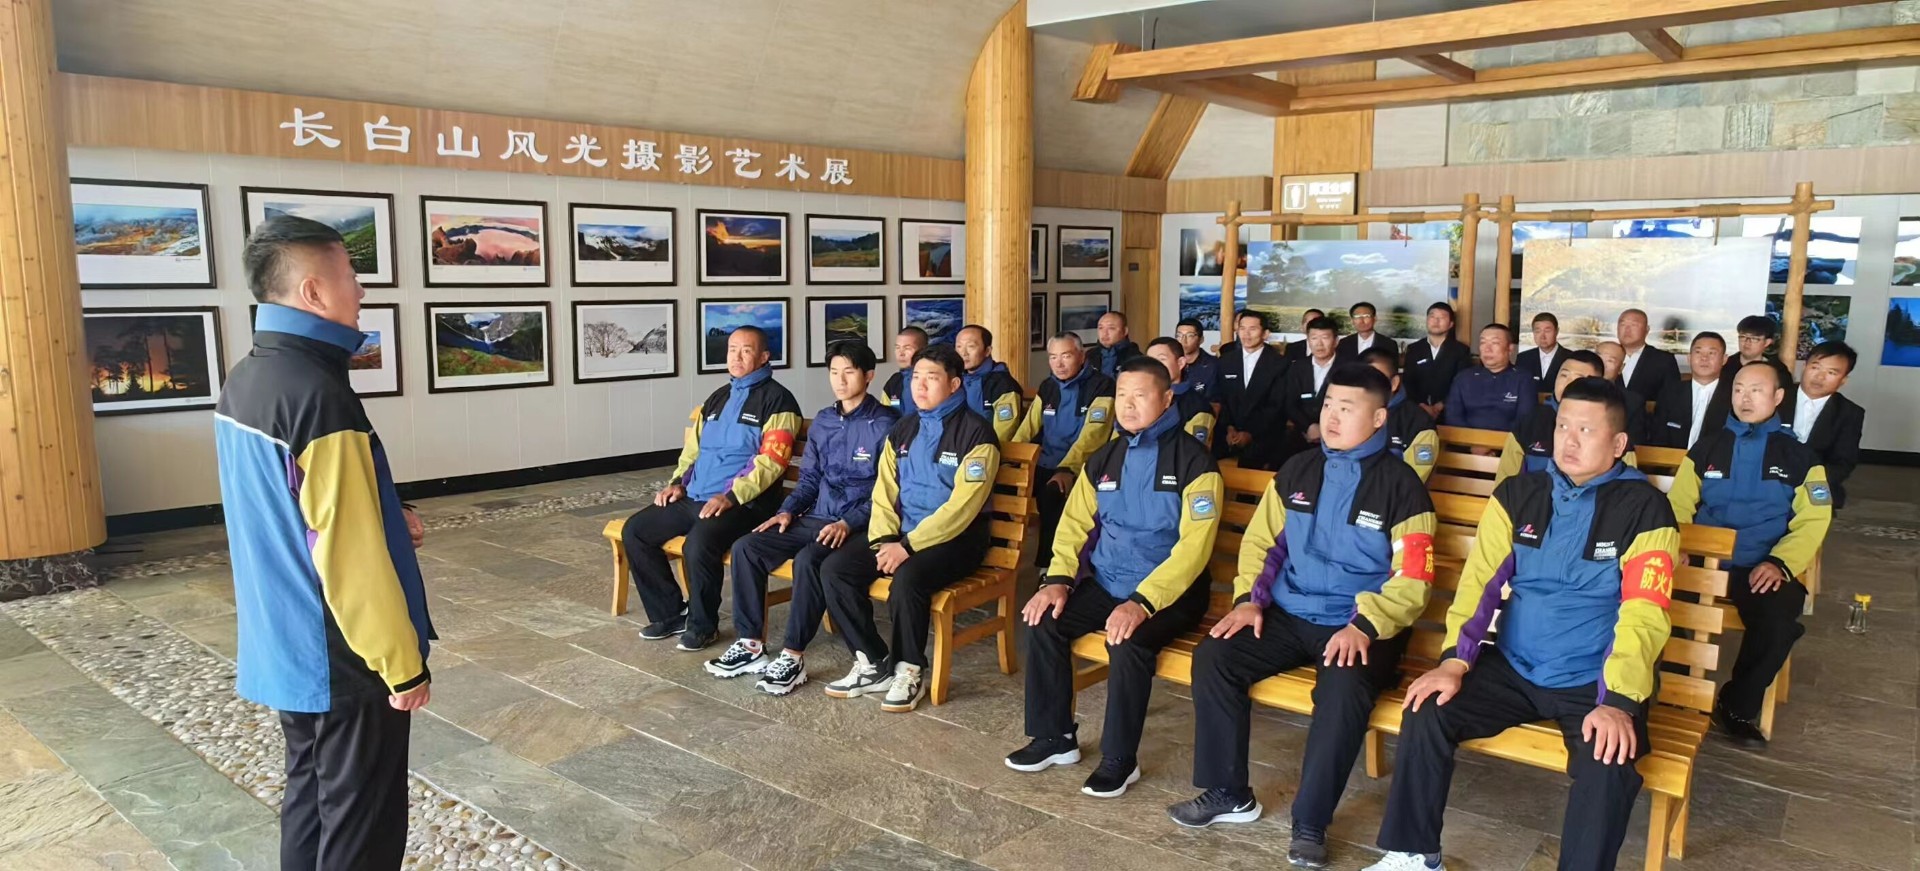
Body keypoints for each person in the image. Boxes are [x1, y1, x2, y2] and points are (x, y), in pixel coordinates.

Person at [1366, 377, 1681, 871]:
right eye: (1562, 426)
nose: (1569, 440)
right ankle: (1413, 853)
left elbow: (1645, 612)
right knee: (1428, 708)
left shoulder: (1646, 510)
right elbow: (1479, 585)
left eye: (1586, 430)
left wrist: (1620, 701)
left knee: (1609, 759)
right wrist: (1454, 661)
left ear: (1618, 443)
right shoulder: (1518, 494)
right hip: (1514, 666)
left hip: (1594, 677)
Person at [216, 215, 433, 870]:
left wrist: (388, 511)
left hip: (286, 641)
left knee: (311, 799)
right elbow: (347, 556)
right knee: (361, 827)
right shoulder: (318, 394)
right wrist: (400, 664)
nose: (360, 288)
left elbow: (287, 505)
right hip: (342, 655)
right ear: (312, 291)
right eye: (349, 274)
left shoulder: (250, 377)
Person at [1169, 365, 1437, 871]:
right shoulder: (1297, 470)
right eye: (1329, 404)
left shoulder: (1402, 487)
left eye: (1347, 408)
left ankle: (1311, 821)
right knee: (1217, 656)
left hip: (1362, 624)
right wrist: (1249, 600)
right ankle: (1228, 792)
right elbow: (1262, 543)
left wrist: (1365, 625)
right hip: (1290, 612)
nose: (1331, 417)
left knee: (1342, 689)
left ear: (1379, 418)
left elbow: (1413, 578)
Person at [1006, 357, 1223, 798]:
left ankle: (1120, 758)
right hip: (1108, 581)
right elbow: (1073, 524)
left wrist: (1142, 602)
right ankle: (1055, 736)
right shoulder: (1105, 457)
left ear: (1166, 399)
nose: (1128, 405)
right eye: (1122, 395)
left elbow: (1193, 548)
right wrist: (1058, 579)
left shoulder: (1195, 463)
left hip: (1170, 592)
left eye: (1140, 396)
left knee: (1127, 642)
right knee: (1044, 621)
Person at [815, 343, 1001, 713]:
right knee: (835, 568)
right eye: (916, 378)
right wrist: (884, 539)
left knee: (908, 578)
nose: (920, 386)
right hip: (902, 535)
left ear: (954, 384)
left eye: (931, 378)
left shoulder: (976, 434)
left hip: (958, 540)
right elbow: (884, 491)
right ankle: (872, 660)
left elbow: (961, 510)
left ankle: (909, 668)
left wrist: (908, 546)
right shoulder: (904, 429)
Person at [706, 341, 899, 694]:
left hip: (859, 524)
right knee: (748, 546)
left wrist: (849, 523)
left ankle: (793, 656)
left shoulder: (887, 424)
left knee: (810, 559)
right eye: (834, 372)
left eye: (849, 372)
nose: (840, 380)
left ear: (869, 376)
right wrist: (787, 511)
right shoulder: (825, 420)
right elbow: (809, 478)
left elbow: (886, 492)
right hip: (819, 515)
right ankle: (751, 644)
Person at [1667, 362, 1833, 749]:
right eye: (1739, 389)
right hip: (1702, 560)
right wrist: (1680, 545)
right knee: (1652, 598)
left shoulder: (1800, 457)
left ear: (1778, 397)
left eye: (1756, 390)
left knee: (1777, 623)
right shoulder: (1706, 448)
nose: (1745, 398)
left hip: (1759, 564)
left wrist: (1779, 563)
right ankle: (1674, 691)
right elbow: (1677, 506)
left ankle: (1736, 705)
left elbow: (1814, 520)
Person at [622, 326, 801, 651]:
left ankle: (703, 626)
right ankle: (671, 613)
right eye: (732, 349)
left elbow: (771, 463)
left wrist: (731, 496)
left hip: (745, 505)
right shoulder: (717, 398)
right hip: (696, 496)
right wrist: (677, 483)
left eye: (746, 350)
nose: (737, 356)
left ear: (764, 357)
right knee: (636, 530)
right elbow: (693, 451)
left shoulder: (779, 401)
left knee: (699, 543)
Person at [1013, 332, 1116, 568]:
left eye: (1066, 356)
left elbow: (1092, 437)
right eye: (1053, 357)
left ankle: (1048, 567)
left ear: (1081, 356)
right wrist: (1009, 458)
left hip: (1081, 467)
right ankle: (998, 558)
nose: (1058, 364)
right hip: (1044, 462)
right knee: (997, 485)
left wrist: (1067, 469)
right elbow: (1028, 428)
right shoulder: (1048, 386)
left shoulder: (1102, 386)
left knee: (1052, 495)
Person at [1494, 349, 1631, 486]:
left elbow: (1627, 487)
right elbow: (1504, 484)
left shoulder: (1613, 426)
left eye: (1578, 378)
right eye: (1564, 375)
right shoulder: (1531, 421)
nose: (1568, 383)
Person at [1780, 340, 1863, 509]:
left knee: (1817, 514)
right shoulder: (1776, 397)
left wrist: (1808, 483)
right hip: (1771, 478)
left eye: (1831, 372)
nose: (1819, 377)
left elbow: (1843, 462)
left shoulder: (1850, 412)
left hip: (1818, 481)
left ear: (1843, 380)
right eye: (1815, 367)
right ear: (1804, 367)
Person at [1216, 309, 1291, 471]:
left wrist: (1250, 433)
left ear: (1265, 334)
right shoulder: (1226, 361)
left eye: (1253, 329)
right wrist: (1229, 427)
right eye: (1242, 328)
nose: (1246, 334)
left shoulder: (1279, 364)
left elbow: (1276, 405)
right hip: (1229, 434)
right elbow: (1222, 398)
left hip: (1265, 437)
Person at [1360, 348, 1439, 483]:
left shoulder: (1419, 424)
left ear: (1394, 383)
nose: (1368, 386)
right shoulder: (1350, 414)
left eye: (1377, 379)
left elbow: (1412, 481)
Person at [1647, 332, 1731, 450]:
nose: (1704, 358)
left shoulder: (1734, 396)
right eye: (1698, 352)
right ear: (1689, 358)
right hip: (1671, 460)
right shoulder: (1670, 392)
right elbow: (1658, 437)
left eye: (1711, 353)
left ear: (1724, 359)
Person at [1443, 323, 1535, 432]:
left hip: (1508, 441)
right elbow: (1453, 415)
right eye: (1483, 343)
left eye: (1495, 343)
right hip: (1466, 440)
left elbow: (1525, 419)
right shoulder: (1463, 378)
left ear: (1510, 349)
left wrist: (1496, 441)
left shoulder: (1523, 378)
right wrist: (1472, 440)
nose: (1487, 349)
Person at [1401, 302, 1471, 422]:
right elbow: (1408, 381)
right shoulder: (1414, 349)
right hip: (1418, 410)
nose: (1436, 321)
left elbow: (1461, 383)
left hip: (1449, 410)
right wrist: (1422, 405)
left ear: (1451, 324)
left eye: (1442, 317)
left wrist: (1440, 405)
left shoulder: (1460, 350)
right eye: (1432, 316)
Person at [955, 324, 1025, 442]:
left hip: (986, 448)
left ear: (987, 351)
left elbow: (1003, 434)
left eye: (971, 346)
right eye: (959, 347)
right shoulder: (955, 380)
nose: (964, 353)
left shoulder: (1003, 385)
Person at [1282, 316, 1341, 452]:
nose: (1319, 344)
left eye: (1325, 338)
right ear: (1308, 340)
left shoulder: (1348, 368)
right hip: (1301, 437)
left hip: (1337, 438)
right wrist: (1308, 426)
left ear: (1336, 341)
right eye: (1314, 338)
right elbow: (1289, 403)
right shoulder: (1297, 367)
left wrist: (1324, 429)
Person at [1145, 337, 1218, 446]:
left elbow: (1192, 452)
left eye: (1161, 359)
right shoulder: (1141, 398)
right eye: (1150, 361)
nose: (1154, 366)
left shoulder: (1197, 406)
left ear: (1180, 363)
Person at [1614, 308, 1679, 400]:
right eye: (1623, 324)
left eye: (1634, 325)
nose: (1627, 329)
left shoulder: (1663, 360)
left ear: (1646, 330)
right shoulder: (1604, 356)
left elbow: (1672, 397)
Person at [1594, 341, 1649, 448]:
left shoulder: (1632, 402)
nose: (1602, 364)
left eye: (1610, 360)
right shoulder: (1572, 391)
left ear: (1621, 368)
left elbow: (1633, 443)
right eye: (1598, 357)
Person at [882, 326, 929, 412]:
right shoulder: (894, 382)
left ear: (923, 350)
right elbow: (885, 413)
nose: (901, 353)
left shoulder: (932, 380)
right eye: (897, 348)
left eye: (907, 348)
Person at [1174, 318, 1222, 399]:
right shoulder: (1172, 363)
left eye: (1189, 336)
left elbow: (1215, 401)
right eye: (1179, 336)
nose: (1183, 340)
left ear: (1201, 339)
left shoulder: (1213, 365)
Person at [1516, 312, 1565, 390]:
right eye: (1537, 331)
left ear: (1557, 331)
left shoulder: (1570, 358)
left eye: (1547, 331)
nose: (1542, 336)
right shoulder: (1523, 358)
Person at [1087, 311, 1143, 379]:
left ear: (1125, 331)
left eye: (1111, 328)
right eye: (1100, 328)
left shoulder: (1135, 358)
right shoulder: (1089, 356)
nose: (1104, 333)